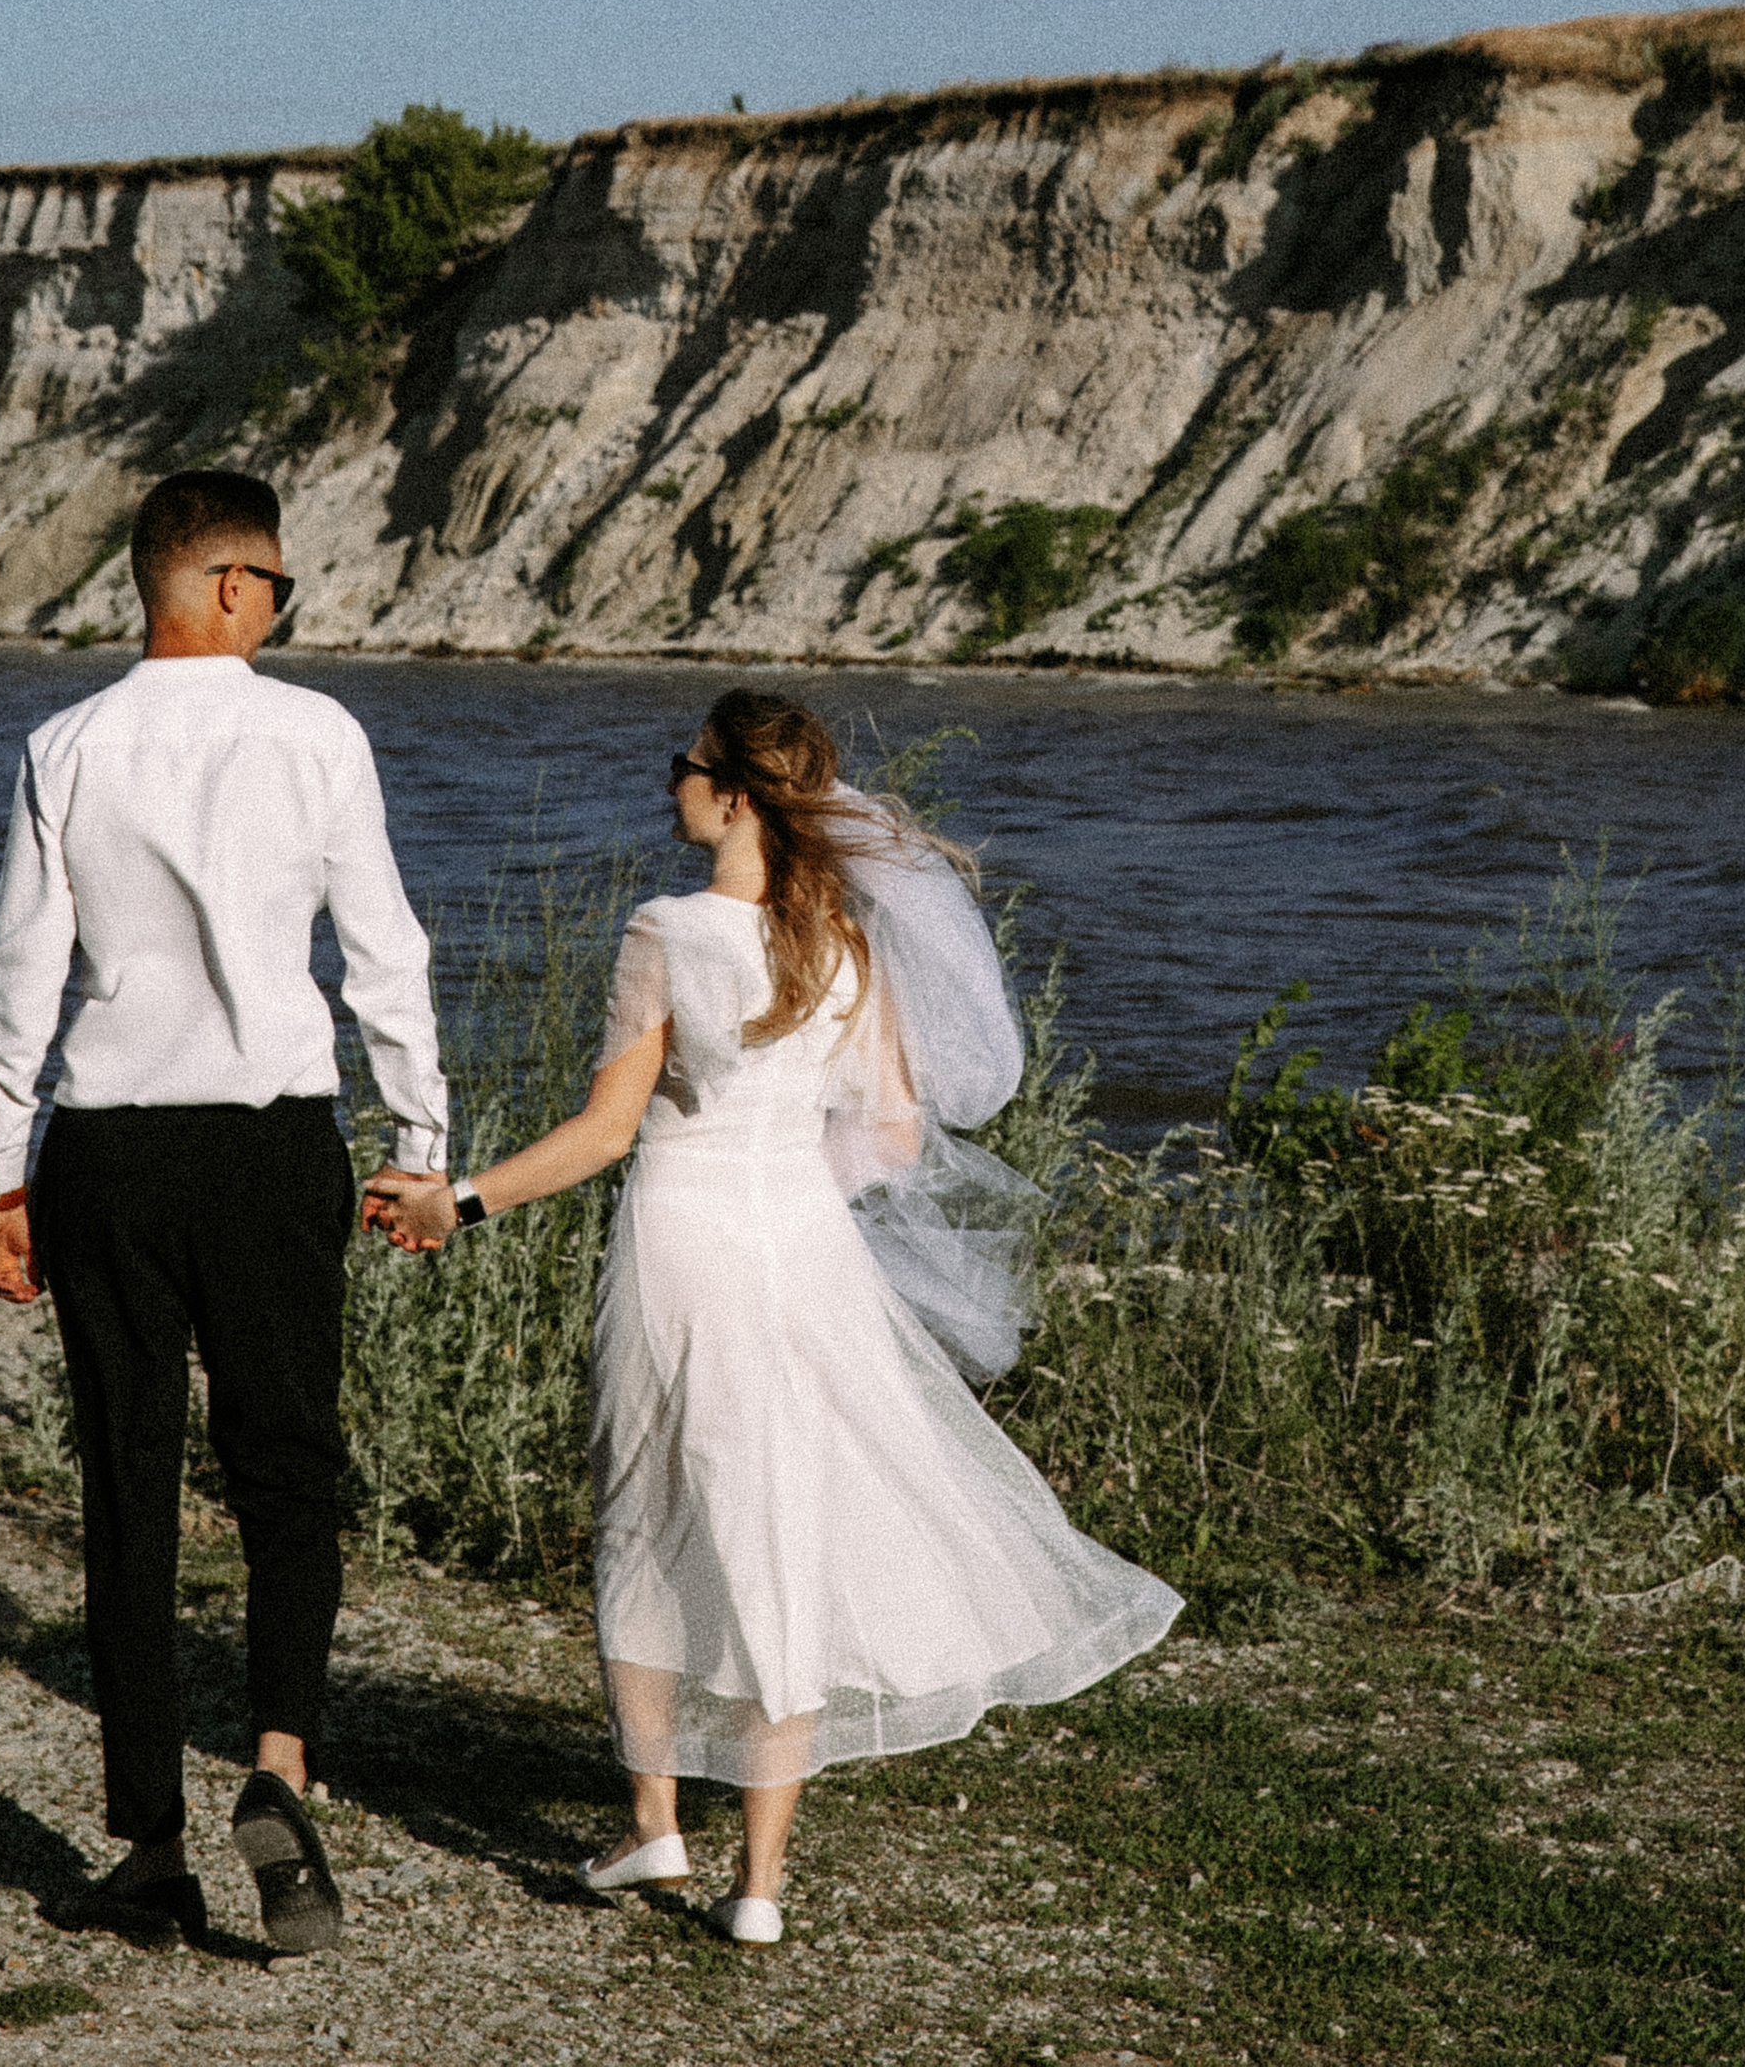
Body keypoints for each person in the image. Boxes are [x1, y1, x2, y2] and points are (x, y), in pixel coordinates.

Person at [361, 689, 1180, 1944]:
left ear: (733, 793)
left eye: (680, 765)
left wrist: (454, 1201)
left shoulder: (667, 929)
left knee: (646, 1514)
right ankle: (760, 1889)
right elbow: (896, 1133)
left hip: (681, 1239)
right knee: (778, 1530)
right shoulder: (845, 942)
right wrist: (789, 1187)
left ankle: (652, 1827)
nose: (669, 785)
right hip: (798, 1249)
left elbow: (603, 1134)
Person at [0, 468, 447, 1957]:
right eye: (284, 586)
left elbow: (19, 980)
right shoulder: (315, 735)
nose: (283, 609)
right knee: (289, 1464)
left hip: (107, 1150)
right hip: (268, 1143)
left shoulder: (68, 743)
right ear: (233, 585)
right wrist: (422, 1141)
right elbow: (384, 955)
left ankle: (154, 1847)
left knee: (129, 1483)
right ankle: (282, 1764)